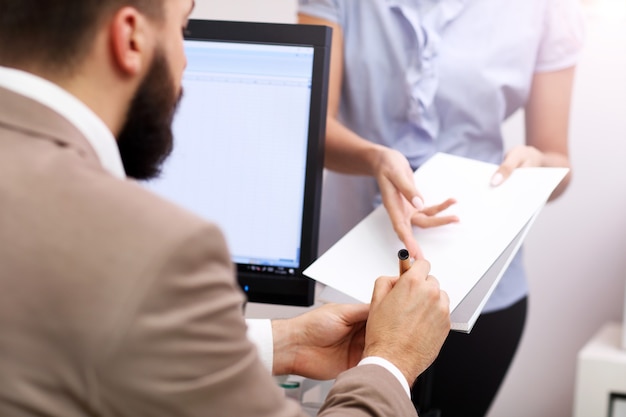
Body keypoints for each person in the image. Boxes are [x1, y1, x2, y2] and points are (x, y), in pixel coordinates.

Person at [0, 1, 452, 416]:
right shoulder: (155, 246)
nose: (185, 59)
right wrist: (391, 360)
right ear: (131, 39)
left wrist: (283, 342)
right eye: (183, 29)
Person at [298, 0, 584, 415]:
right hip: (353, 283)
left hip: (483, 292)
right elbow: (309, 123)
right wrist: (375, 158)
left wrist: (538, 167)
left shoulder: (548, 9)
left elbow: (558, 158)